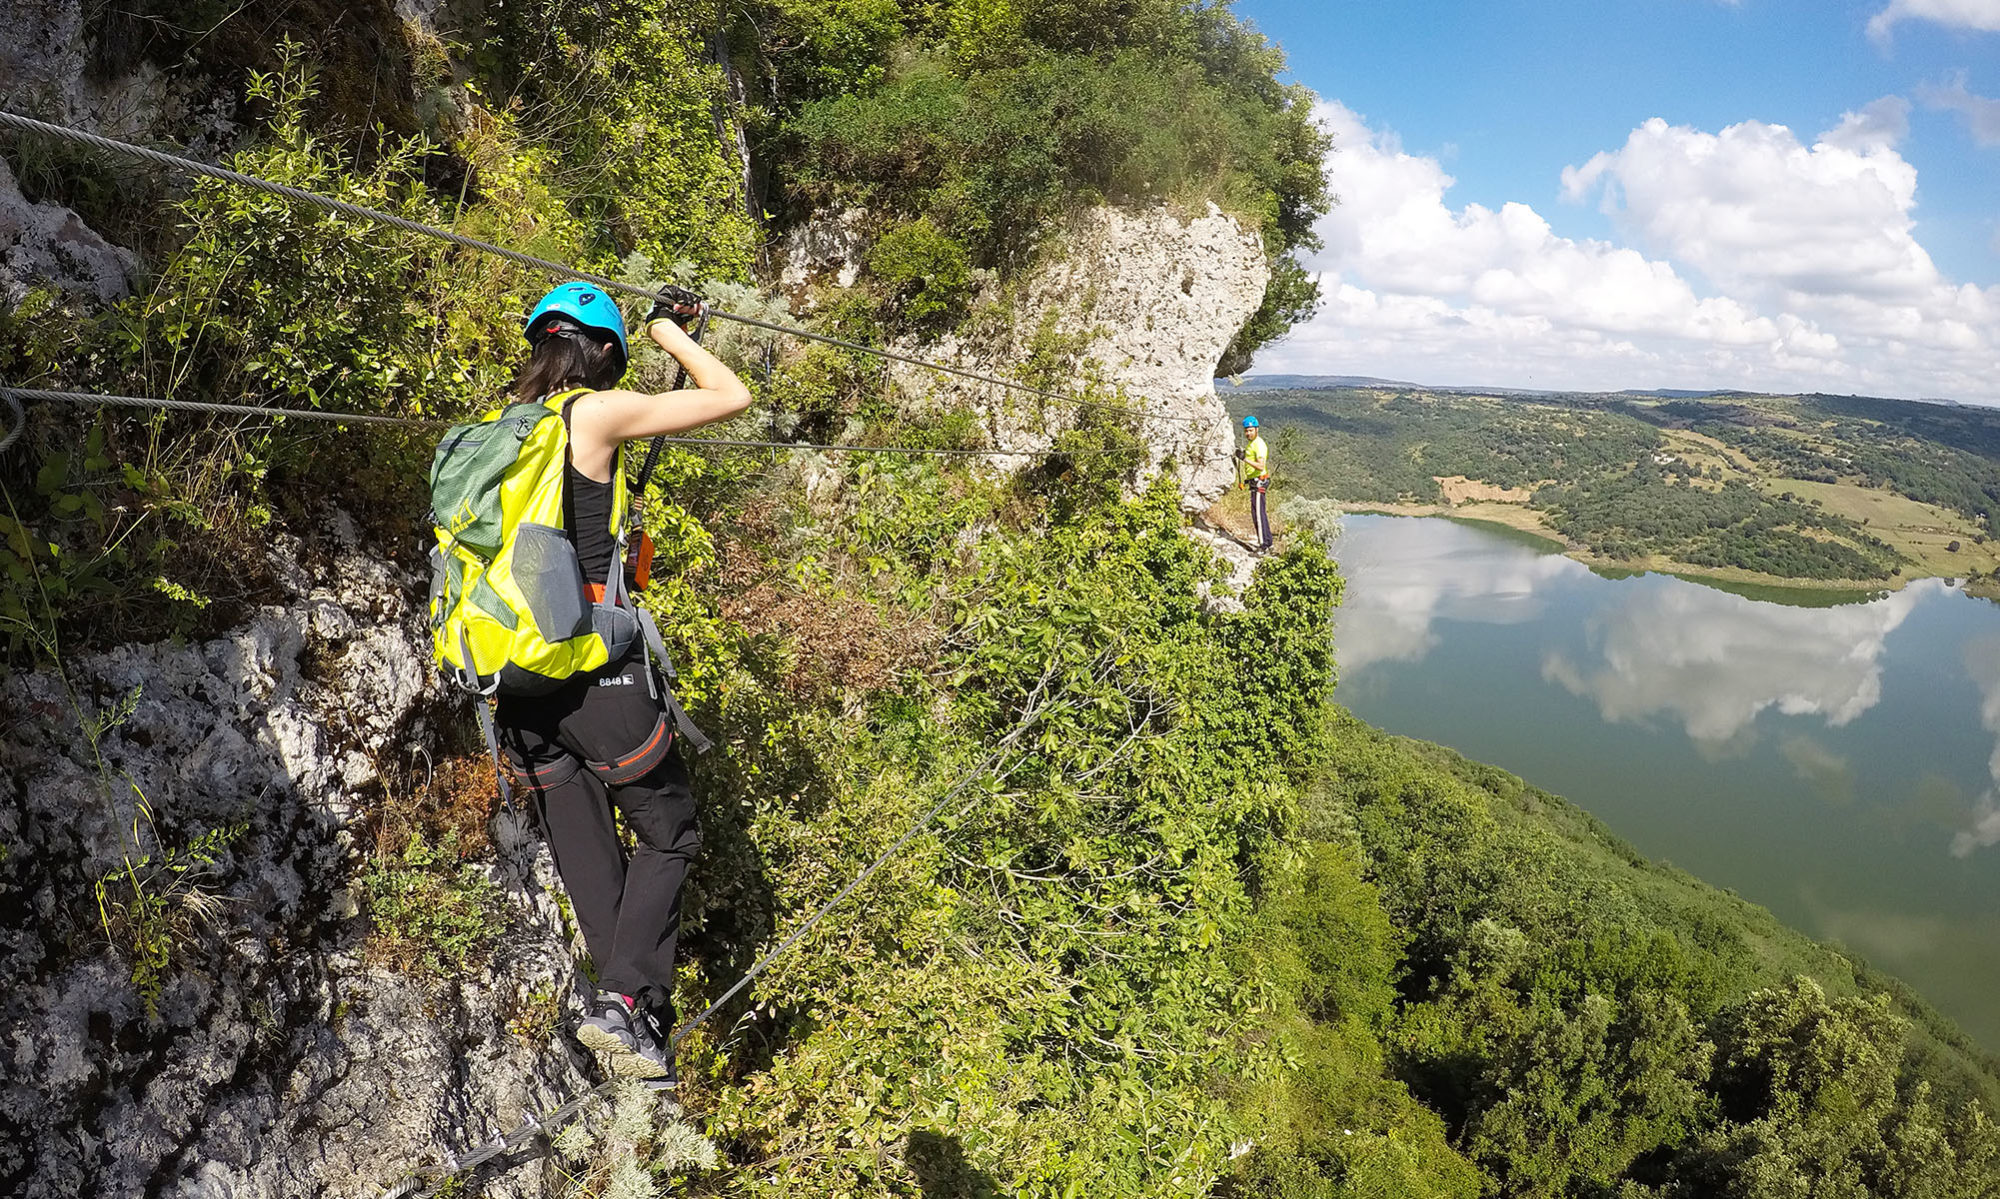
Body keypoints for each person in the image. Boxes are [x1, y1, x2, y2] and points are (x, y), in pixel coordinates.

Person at [493, 282, 751, 1087]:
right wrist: (671, 330)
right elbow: (731, 395)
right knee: (671, 833)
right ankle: (628, 1007)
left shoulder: (497, 428)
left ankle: (627, 1019)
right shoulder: (591, 413)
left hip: (515, 689)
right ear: (602, 353)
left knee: (592, 862)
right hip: (593, 676)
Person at [1237, 414, 1273, 552]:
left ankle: (1263, 546)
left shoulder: (1259, 444)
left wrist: (1244, 458)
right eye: (1246, 430)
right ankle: (1268, 542)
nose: (1248, 433)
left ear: (1257, 429)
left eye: (1251, 430)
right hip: (1255, 482)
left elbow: (1260, 465)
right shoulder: (1252, 444)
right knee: (1260, 513)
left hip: (1259, 482)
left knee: (1258, 514)